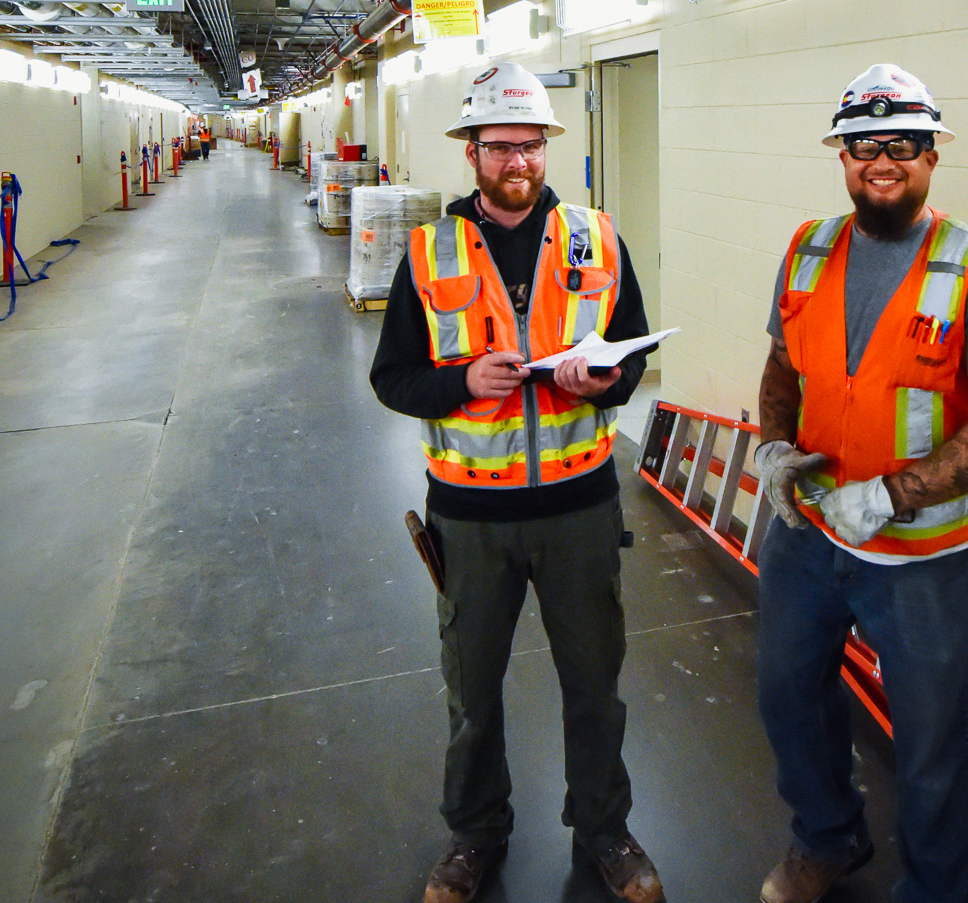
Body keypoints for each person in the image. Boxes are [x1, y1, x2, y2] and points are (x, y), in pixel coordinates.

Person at [752, 64, 968, 903]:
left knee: (935, 744)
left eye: (904, 144)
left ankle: (937, 889)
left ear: (932, 155)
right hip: (809, 534)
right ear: (843, 156)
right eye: (864, 145)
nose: (882, 160)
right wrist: (774, 448)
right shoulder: (808, 249)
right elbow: (781, 366)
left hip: (924, 556)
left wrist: (891, 496)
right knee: (787, 697)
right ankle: (827, 836)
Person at [370, 62, 663, 903]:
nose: (519, 162)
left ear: (546, 147)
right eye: (501, 145)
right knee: (473, 690)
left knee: (594, 685)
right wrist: (464, 383)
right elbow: (393, 378)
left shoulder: (595, 238)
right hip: (471, 517)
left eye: (531, 145)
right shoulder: (431, 252)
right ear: (471, 152)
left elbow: (634, 350)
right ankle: (474, 833)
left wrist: (602, 379)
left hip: (579, 506)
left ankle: (606, 830)